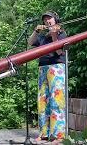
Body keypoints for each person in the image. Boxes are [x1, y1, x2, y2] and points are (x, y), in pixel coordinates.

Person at [28, 11, 67, 143]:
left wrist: (55, 35)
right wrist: (36, 31)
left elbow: (59, 51)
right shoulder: (43, 37)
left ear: (55, 20)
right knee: (42, 101)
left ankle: (58, 135)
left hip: (56, 67)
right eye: (45, 20)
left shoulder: (62, 34)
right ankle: (44, 133)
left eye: (49, 19)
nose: (47, 21)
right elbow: (30, 42)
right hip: (42, 68)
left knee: (57, 101)